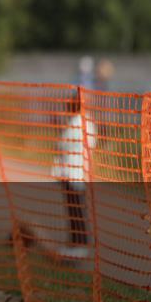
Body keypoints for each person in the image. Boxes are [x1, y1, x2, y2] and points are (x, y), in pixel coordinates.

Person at [51, 92, 97, 259]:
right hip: (73, 172)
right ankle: (76, 243)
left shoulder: (79, 123)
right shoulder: (80, 122)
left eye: (70, 101)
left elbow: (64, 146)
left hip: (74, 173)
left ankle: (79, 245)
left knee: (76, 211)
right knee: (74, 210)